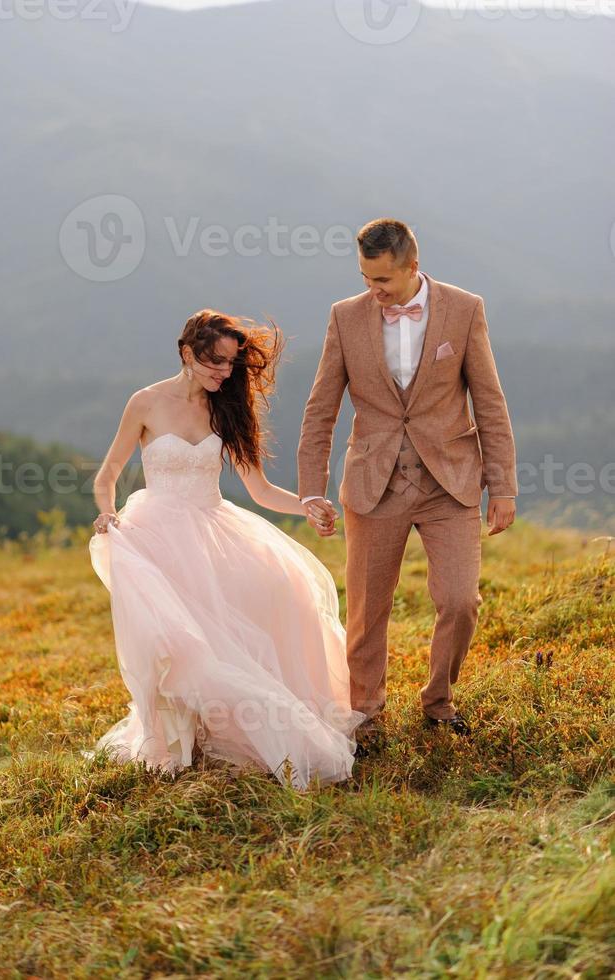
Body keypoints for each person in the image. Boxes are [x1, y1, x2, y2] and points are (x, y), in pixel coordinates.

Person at [85, 309, 367, 790]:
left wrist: (309, 504)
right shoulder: (146, 403)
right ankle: (164, 736)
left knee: (279, 594)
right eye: (215, 362)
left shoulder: (227, 409)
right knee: (169, 639)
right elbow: (107, 474)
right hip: (156, 533)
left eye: (231, 364)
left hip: (215, 531)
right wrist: (107, 511)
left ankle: (233, 724)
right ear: (186, 354)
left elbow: (258, 490)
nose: (224, 373)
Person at [297, 218, 517, 738]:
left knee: (461, 601)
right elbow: (320, 408)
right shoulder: (345, 317)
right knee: (369, 610)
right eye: (366, 279)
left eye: (383, 282)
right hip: (374, 485)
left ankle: (439, 701)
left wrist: (502, 485)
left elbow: (489, 400)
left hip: (451, 483)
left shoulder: (465, 309)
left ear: (412, 268)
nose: (373, 292)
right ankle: (365, 715)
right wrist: (311, 488)